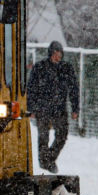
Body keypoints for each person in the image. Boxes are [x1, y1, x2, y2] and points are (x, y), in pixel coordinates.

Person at [26, 40, 79, 173]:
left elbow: (74, 89)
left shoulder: (66, 68)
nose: (58, 56)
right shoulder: (40, 67)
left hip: (59, 108)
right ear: (50, 53)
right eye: (55, 53)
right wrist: (31, 108)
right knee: (43, 136)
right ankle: (45, 162)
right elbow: (31, 88)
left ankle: (48, 159)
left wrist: (75, 108)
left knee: (62, 134)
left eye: (60, 53)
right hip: (42, 107)